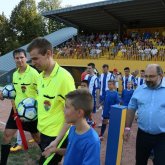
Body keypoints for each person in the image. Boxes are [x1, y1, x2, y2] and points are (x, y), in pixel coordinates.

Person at [27, 37, 75, 165]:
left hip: (57, 136)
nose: (32, 62)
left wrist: (57, 141)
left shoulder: (64, 78)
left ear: (48, 54)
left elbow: (72, 113)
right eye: (31, 59)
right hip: (44, 133)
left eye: (35, 58)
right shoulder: (41, 76)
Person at [0, 48, 40, 165]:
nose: (19, 60)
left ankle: (49, 158)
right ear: (14, 59)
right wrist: (4, 94)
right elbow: (15, 90)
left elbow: (40, 92)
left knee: (37, 138)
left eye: (22, 57)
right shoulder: (15, 74)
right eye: (17, 58)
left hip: (30, 114)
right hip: (16, 111)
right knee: (7, 136)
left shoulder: (34, 74)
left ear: (26, 58)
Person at [42, 89, 100, 165]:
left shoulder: (92, 142)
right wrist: (55, 150)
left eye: (66, 107)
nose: (63, 110)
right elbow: (71, 152)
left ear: (79, 112)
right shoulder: (72, 129)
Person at [124, 64, 165, 165]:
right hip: (143, 135)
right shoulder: (140, 89)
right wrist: (127, 128)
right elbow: (132, 107)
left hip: (162, 137)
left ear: (161, 76)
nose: (147, 79)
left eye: (151, 76)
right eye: (146, 76)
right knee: (140, 161)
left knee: (161, 162)